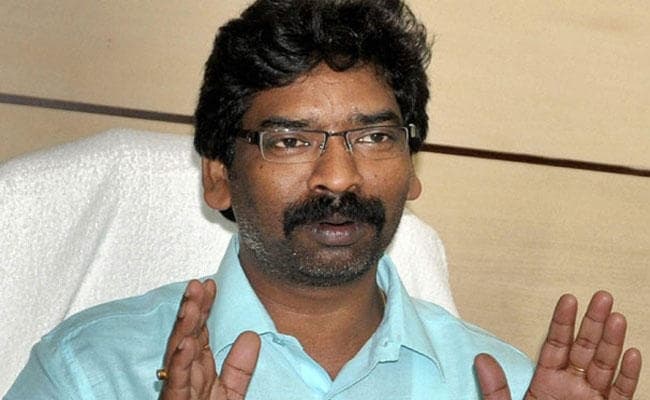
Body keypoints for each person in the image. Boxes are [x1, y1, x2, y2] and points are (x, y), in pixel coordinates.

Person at [6, 0, 641, 399]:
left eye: (374, 137)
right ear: (218, 174)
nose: (338, 178)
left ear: (412, 169)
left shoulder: (500, 385)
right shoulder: (89, 373)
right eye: (290, 141)